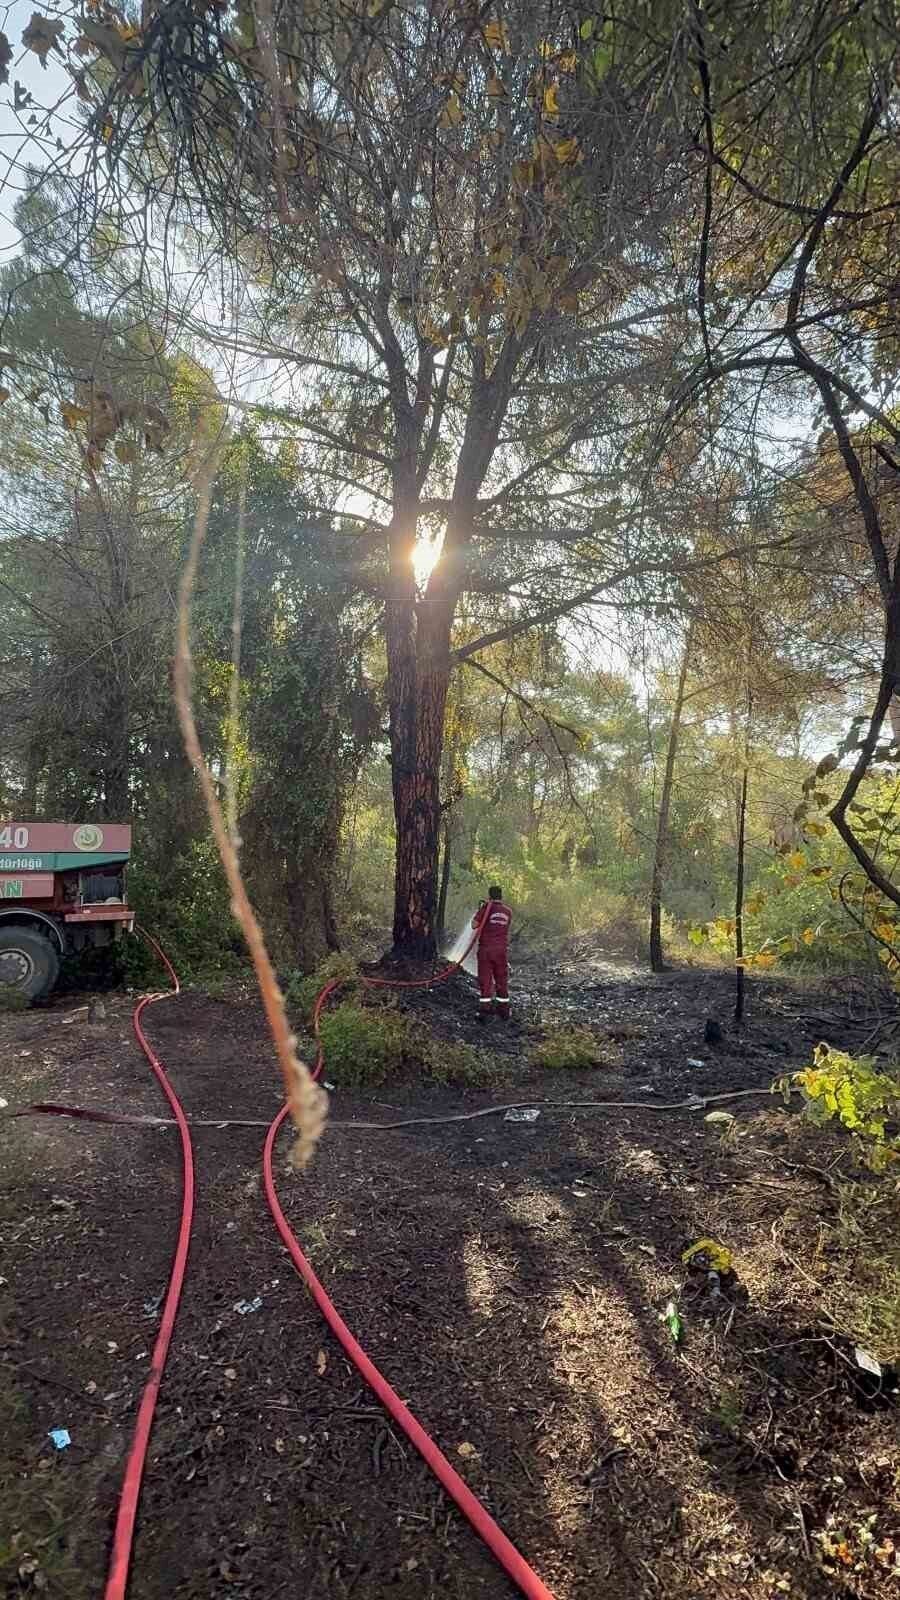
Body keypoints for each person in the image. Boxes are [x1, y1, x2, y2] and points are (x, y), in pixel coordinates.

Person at [472, 885, 512, 1021]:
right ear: (501, 896)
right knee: (501, 979)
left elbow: (474, 925)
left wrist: (481, 910)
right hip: (501, 951)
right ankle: (504, 1010)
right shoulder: (508, 912)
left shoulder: (486, 909)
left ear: (489, 896)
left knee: (485, 979)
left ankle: (485, 1009)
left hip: (486, 950)